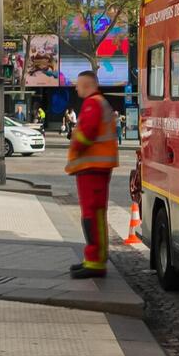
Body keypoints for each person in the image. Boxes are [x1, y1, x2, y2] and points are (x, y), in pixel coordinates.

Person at [65, 70, 118, 278]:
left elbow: (86, 134)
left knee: (92, 216)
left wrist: (75, 147)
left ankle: (95, 262)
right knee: (94, 215)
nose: (76, 88)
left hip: (92, 168)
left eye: (78, 85)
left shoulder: (92, 104)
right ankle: (93, 259)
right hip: (95, 168)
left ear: (87, 85)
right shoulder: (99, 102)